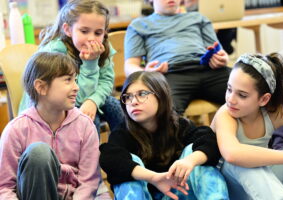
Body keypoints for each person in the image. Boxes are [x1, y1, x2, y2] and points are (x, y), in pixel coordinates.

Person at [100, 71, 229, 200]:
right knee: (126, 167)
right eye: (128, 97)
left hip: (180, 193)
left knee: (195, 153)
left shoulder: (179, 125)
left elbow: (209, 141)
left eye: (142, 94)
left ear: (161, 96)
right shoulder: (122, 133)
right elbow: (110, 159)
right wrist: (154, 178)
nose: (133, 101)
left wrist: (189, 161)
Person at [0, 52, 101, 199]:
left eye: (75, 80)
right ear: (41, 87)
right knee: (39, 153)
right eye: (68, 80)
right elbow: (4, 187)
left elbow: (89, 182)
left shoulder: (84, 125)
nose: (76, 87)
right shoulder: (16, 129)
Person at [18, 0, 123, 133]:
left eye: (98, 33)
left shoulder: (103, 48)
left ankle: (123, 150)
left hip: (79, 99)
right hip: (49, 109)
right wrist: (90, 63)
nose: (91, 38)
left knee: (115, 106)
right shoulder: (55, 52)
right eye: (84, 31)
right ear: (67, 29)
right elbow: (74, 97)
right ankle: (89, 154)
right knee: (88, 119)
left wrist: (93, 101)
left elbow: (106, 82)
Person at [211, 52, 283, 199]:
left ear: (264, 99)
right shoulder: (225, 114)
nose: (231, 99)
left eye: (242, 95)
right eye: (229, 89)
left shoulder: (275, 113)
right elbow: (233, 154)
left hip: (265, 185)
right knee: (244, 161)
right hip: (232, 191)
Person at [124, 0, 231, 115]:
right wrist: (147, 73)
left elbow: (219, 51)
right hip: (170, 74)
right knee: (164, 115)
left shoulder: (199, 18)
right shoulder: (138, 25)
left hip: (209, 70)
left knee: (248, 88)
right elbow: (129, 66)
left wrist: (223, 59)